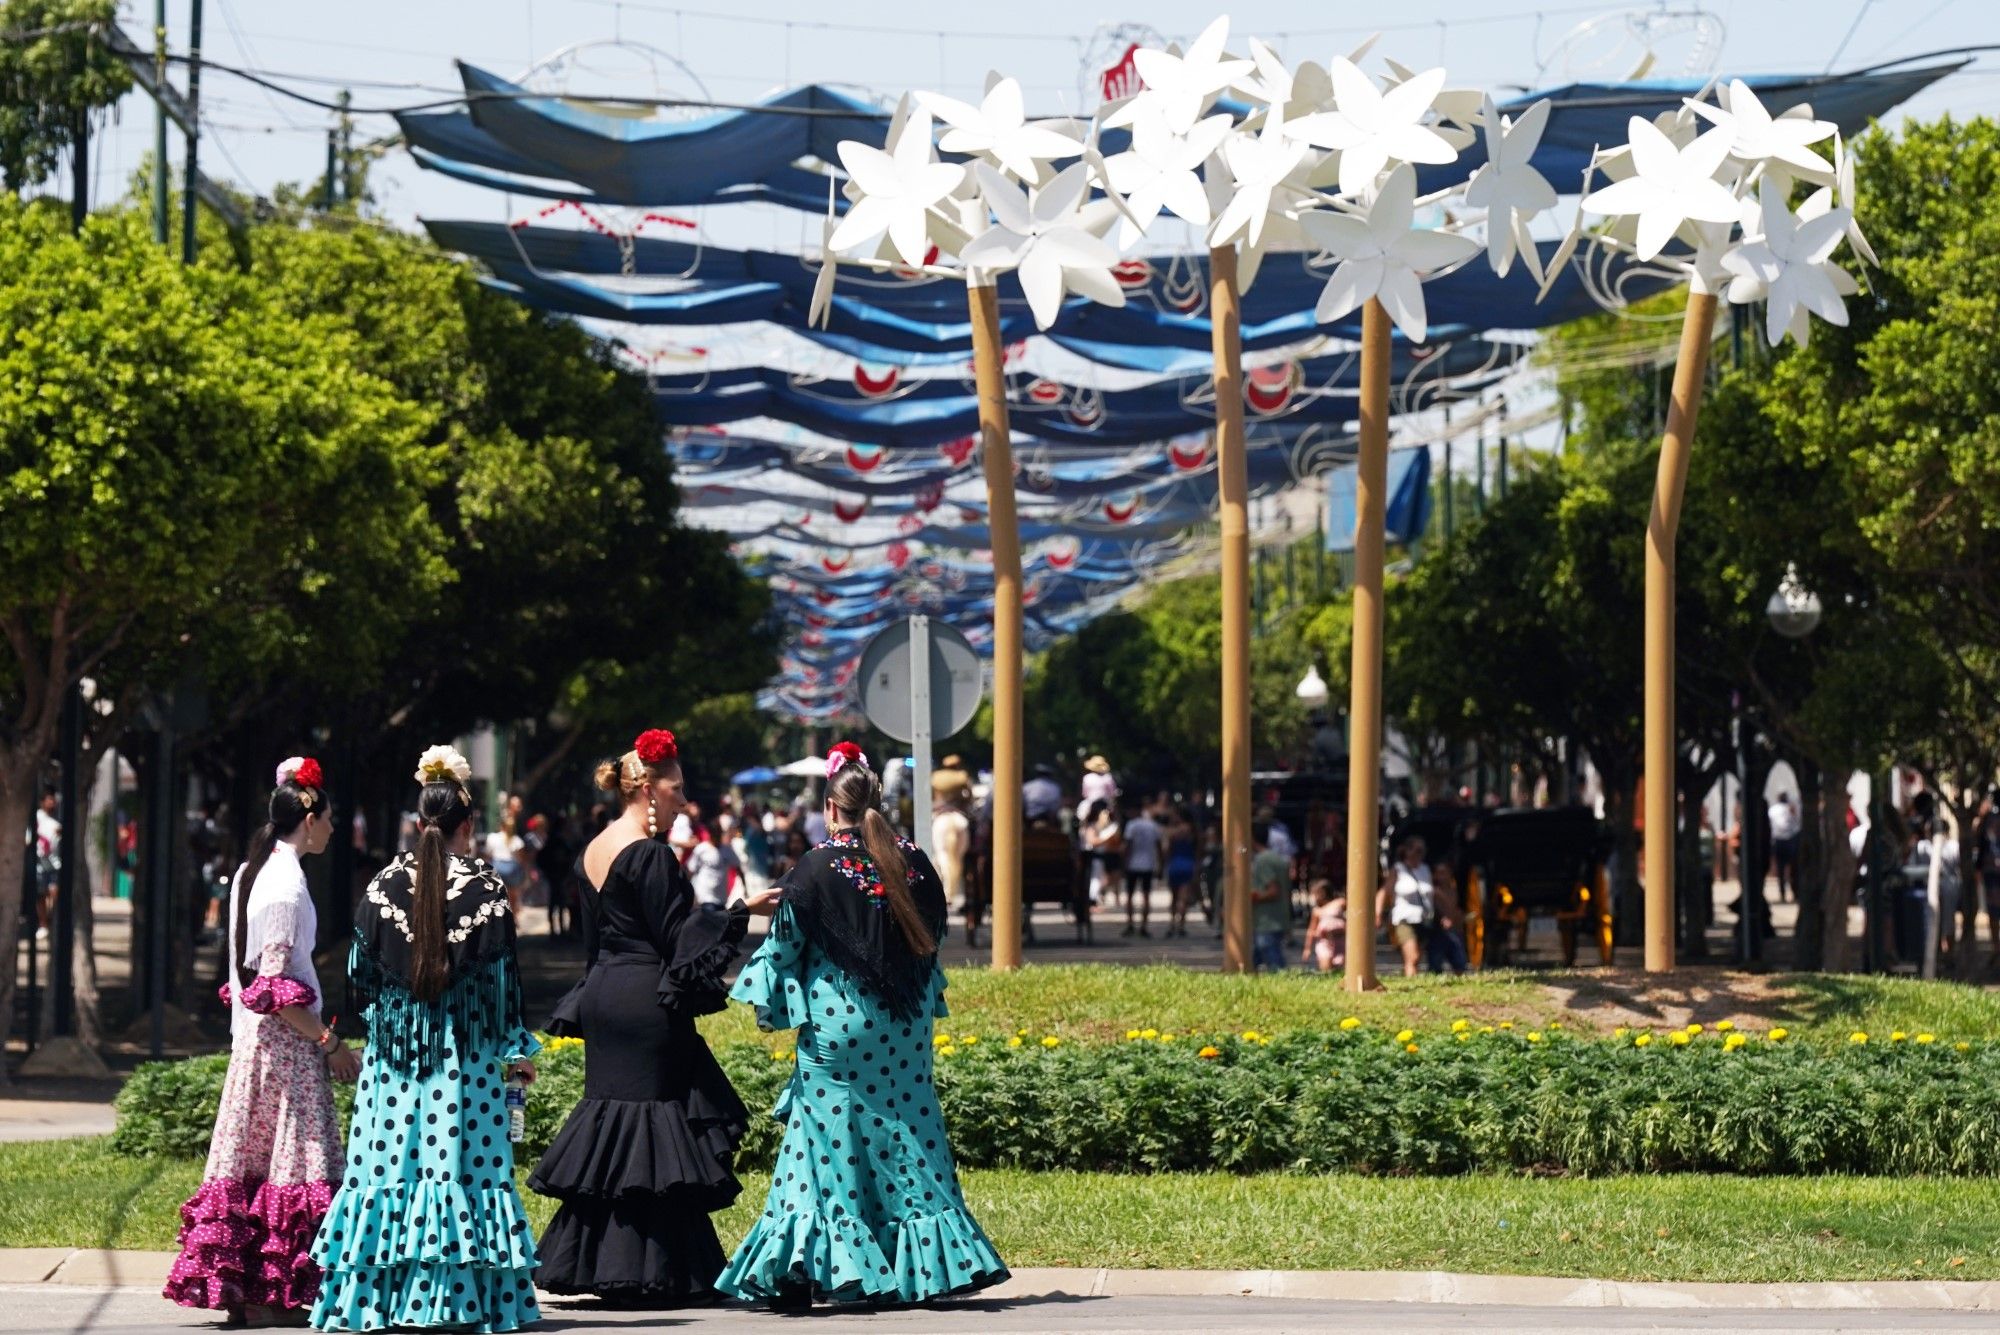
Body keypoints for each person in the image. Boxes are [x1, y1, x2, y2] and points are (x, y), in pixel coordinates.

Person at [716, 743, 1008, 1309]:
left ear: (830, 807)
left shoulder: (817, 865)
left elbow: (781, 953)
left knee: (822, 1138)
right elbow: (935, 937)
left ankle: (816, 1267)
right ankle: (924, 1264)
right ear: (878, 801)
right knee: (909, 1126)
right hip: (906, 1024)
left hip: (840, 1027)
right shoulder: (915, 860)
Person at [531, 730, 781, 1306]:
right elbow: (679, 942)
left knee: (614, 1123)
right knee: (653, 1124)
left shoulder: (593, 848)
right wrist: (740, 910)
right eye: (676, 788)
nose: (683, 801)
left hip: (602, 997)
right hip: (646, 1002)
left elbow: (598, 942)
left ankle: (599, 1264)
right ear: (647, 788)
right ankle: (654, 1269)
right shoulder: (650, 854)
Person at [310, 747, 542, 1333]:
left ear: (420, 825)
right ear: (469, 826)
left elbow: (361, 984)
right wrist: (517, 1056)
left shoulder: (382, 889)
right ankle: (458, 1304)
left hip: (397, 1063)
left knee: (388, 1173)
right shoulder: (488, 894)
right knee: (464, 1174)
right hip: (464, 1067)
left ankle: (377, 1304)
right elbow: (500, 992)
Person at [166, 757, 355, 1325]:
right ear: (309, 816)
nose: (334, 826)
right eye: (329, 817)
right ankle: (271, 1298)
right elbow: (274, 988)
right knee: (291, 1166)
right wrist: (329, 1042)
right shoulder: (283, 887)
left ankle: (256, 1294)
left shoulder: (262, 871)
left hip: (266, 1051)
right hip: (283, 1056)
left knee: (263, 1166)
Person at [1377, 836, 1435, 979]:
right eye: (1416, 850)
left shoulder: (1425, 870)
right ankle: (1411, 982)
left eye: (1422, 851)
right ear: (1407, 851)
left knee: (1418, 957)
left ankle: (1412, 980)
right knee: (1413, 956)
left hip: (1423, 918)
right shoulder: (1398, 870)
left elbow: (1432, 894)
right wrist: (1378, 913)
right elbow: (1384, 892)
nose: (1419, 854)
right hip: (1404, 918)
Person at [1249, 821, 1291, 970]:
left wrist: (1253, 897)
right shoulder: (1276, 858)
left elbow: (1273, 890)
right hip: (1277, 918)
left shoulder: (1262, 861)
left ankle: (1286, 984)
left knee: (1275, 964)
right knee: (1254, 959)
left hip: (1267, 920)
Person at [1121, 799, 1162, 938]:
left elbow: (1128, 845)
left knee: (1130, 895)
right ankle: (1144, 926)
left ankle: (1130, 924)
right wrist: (1160, 863)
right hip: (1148, 864)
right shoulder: (1153, 826)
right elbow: (1159, 846)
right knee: (1146, 896)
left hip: (1133, 864)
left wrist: (1124, 862)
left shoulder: (1131, 825)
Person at [1427, 862, 1469, 975]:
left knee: (1460, 963)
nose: (1442, 876)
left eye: (1444, 873)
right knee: (1435, 965)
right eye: (1439, 873)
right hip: (1438, 932)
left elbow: (1461, 909)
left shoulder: (1458, 891)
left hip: (1455, 930)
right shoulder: (1432, 891)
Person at [1163, 806, 1198, 938]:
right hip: (1188, 863)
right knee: (1184, 898)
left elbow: (1166, 850)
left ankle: (1172, 924)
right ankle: (1181, 925)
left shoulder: (1172, 832)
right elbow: (1198, 850)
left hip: (1175, 863)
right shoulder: (1193, 831)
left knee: (1174, 897)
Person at [1301, 877, 1346, 973]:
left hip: (1339, 940)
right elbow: (1311, 929)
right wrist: (1307, 948)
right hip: (1324, 941)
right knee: (1326, 968)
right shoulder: (1317, 911)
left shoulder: (1339, 903)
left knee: (1341, 968)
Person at [487, 812, 528, 916]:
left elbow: (488, 855)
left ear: (501, 825)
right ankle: (513, 918)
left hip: (497, 868)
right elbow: (521, 859)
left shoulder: (492, 837)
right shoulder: (517, 840)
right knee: (513, 897)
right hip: (512, 869)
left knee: (498, 896)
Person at [1768, 791, 1802, 903]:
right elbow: (1797, 823)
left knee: (1781, 869)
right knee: (1793, 869)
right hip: (1790, 840)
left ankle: (1782, 893)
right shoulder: (1789, 809)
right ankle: (1794, 893)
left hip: (1777, 841)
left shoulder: (1772, 810)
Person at [1078, 754, 1119, 823]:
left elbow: (1085, 794)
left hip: (1091, 803)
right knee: (1116, 817)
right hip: (1106, 803)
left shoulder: (1087, 778)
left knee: (1081, 817)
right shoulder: (1108, 777)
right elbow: (1113, 794)